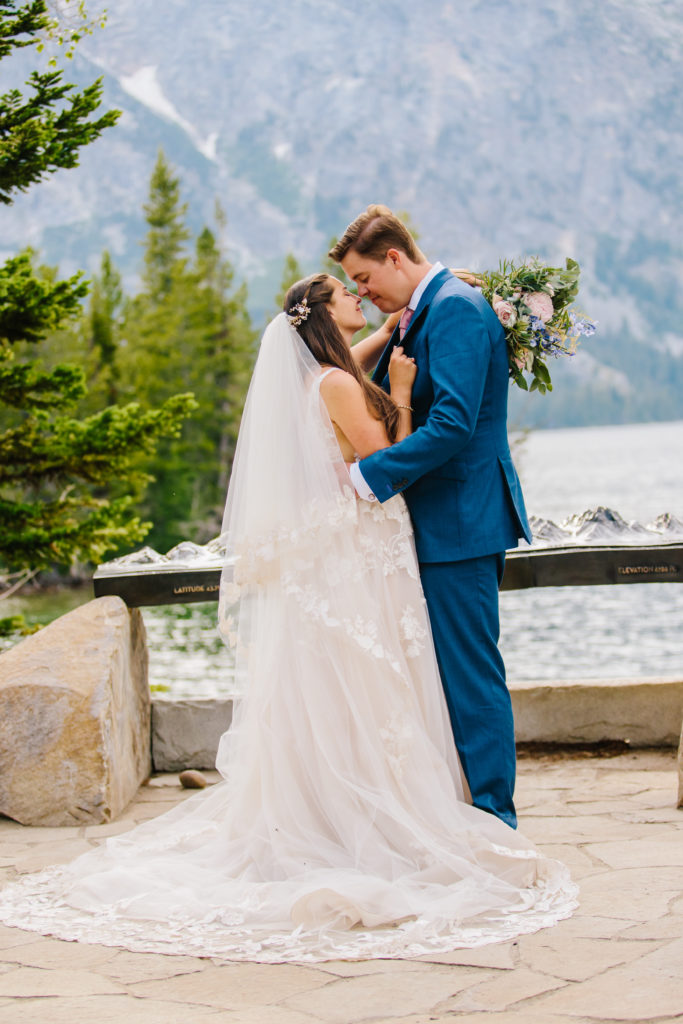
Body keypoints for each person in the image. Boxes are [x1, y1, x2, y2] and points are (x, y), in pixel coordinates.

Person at [0, 274, 576, 963]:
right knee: (374, 680)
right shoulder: (335, 384)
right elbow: (383, 449)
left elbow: (351, 358)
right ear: (322, 319)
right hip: (364, 550)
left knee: (353, 681)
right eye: (346, 297)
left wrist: (416, 310)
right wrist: (397, 391)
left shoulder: (325, 374)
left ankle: (353, 805)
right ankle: (376, 817)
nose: (357, 301)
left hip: (353, 551)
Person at [330, 205, 531, 829]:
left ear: (395, 257)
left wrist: (368, 477)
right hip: (439, 520)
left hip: (463, 520)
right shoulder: (426, 307)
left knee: (472, 673)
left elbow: (452, 425)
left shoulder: (454, 310)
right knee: (447, 670)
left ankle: (497, 818)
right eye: (354, 287)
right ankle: (468, 809)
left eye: (365, 278)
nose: (363, 292)